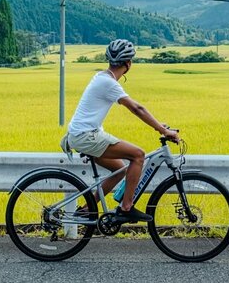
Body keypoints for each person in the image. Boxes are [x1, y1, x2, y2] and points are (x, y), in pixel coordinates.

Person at [60, 39, 180, 222]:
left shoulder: (102, 77)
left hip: (82, 136)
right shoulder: (109, 83)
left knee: (120, 169)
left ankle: (86, 210)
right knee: (138, 155)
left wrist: (159, 125)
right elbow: (137, 108)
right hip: (87, 137)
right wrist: (163, 131)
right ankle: (126, 207)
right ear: (128, 64)